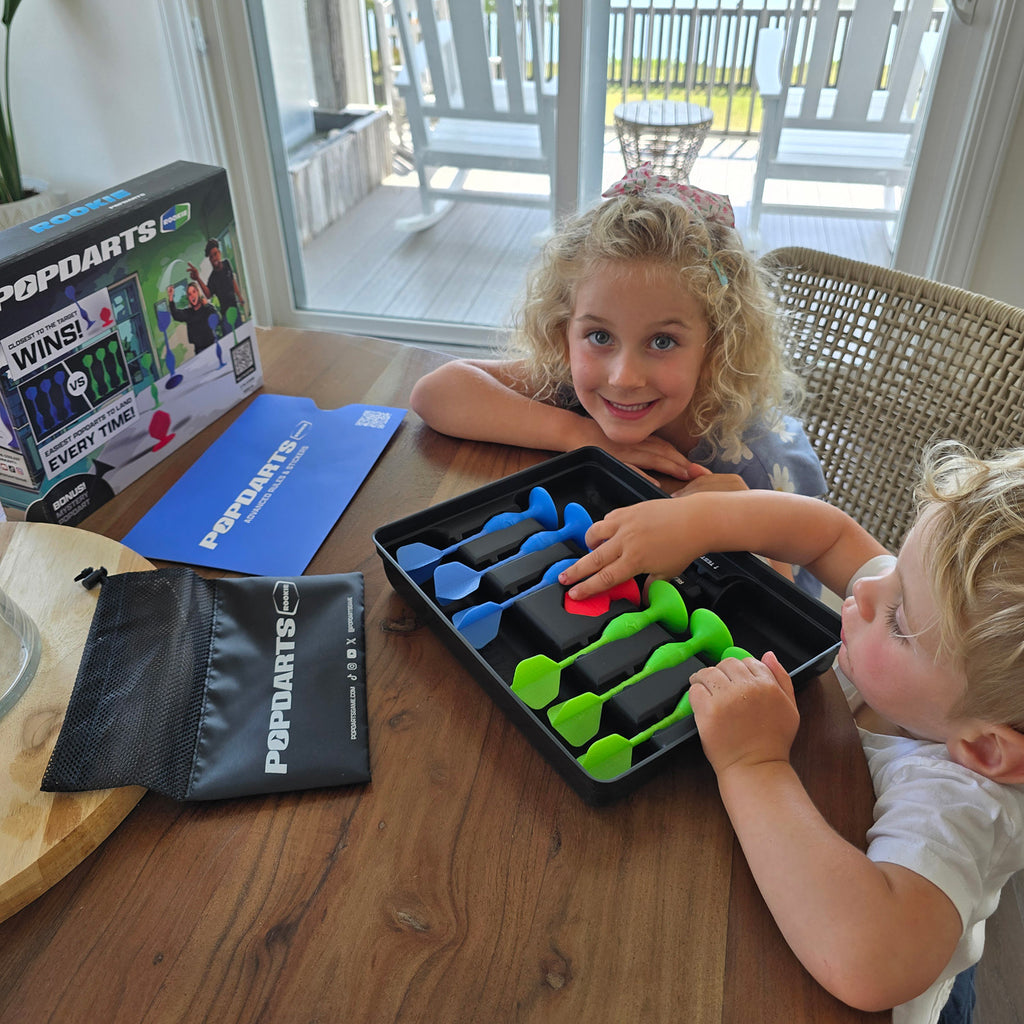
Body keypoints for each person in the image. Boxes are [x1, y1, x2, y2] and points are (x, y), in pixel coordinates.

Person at [559, 441, 1024, 1024]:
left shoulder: (961, 808)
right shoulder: (932, 644)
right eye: (899, 568)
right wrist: (695, 522)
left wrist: (755, 765)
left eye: (899, 622)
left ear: (984, 747)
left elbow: (870, 964)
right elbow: (829, 533)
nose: (865, 589)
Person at [410, 162, 826, 502]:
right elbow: (436, 392)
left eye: (662, 341)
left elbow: (790, 594)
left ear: (717, 345)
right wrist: (580, 434)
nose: (623, 377)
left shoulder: (751, 463)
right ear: (563, 328)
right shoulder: (575, 384)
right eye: (600, 336)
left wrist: (732, 527)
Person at [188, 238, 246, 323]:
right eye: (211, 257)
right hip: (226, 315)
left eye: (215, 254)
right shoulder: (213, 278)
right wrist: (198, 278)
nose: (214, 258)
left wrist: (240, 297)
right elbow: (208, 295)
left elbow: (232, 281)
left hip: (236, 309)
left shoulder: (227, 264)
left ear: (220, 253)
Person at [166, 282, 217, 354]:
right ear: (188, 298)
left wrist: (206, 305)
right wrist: (171, 297)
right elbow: (176, 315)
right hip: (200, 350)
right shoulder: (188, 313)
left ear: (198, 293)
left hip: (213, 345)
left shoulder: (206, 308)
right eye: (189, 294)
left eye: (194, 292)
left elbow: (216, 317)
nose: (192, 295)